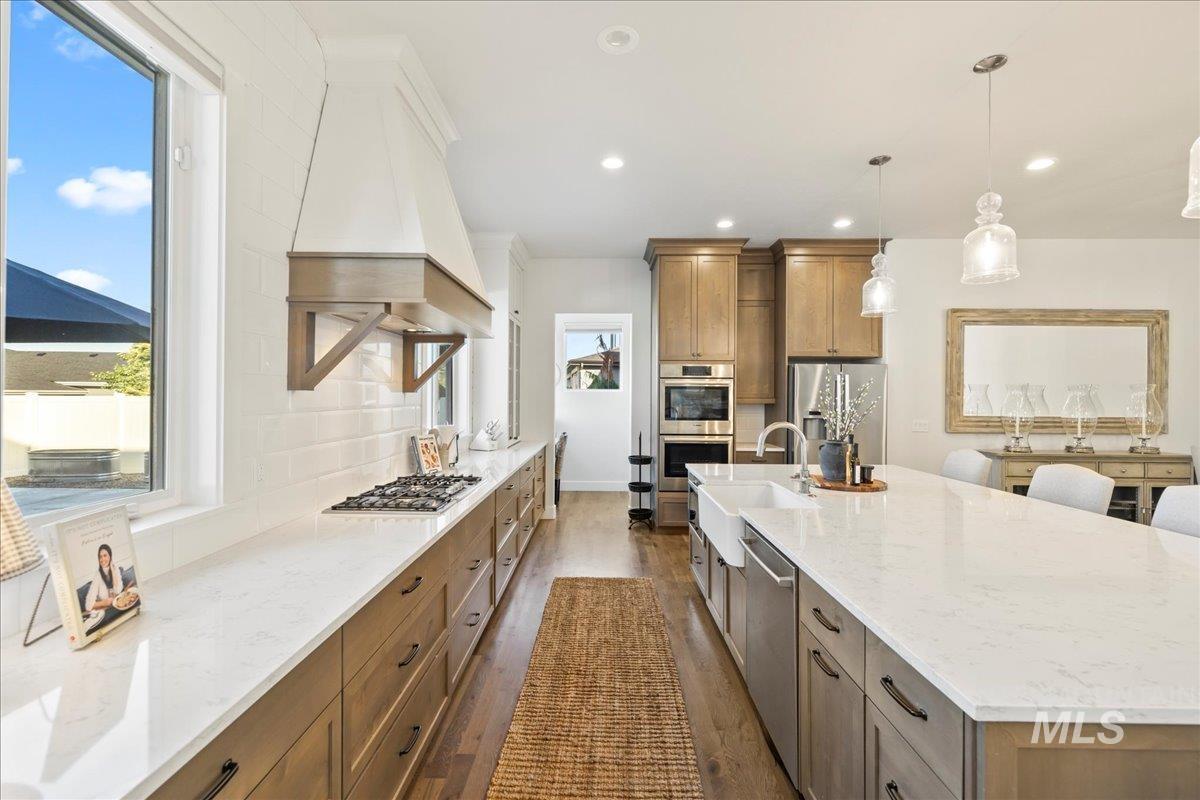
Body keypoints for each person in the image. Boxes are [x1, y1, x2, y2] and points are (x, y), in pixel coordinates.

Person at [84, 544, 125, 613]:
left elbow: (117, 591)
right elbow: (88, 606)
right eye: (100, 557)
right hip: (106, 609)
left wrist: (112, 570)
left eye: (105, 555)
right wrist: (104, 603)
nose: (102, 559)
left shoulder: (115, 569)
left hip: (118, 606)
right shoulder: (98, 576)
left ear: (110, 556)